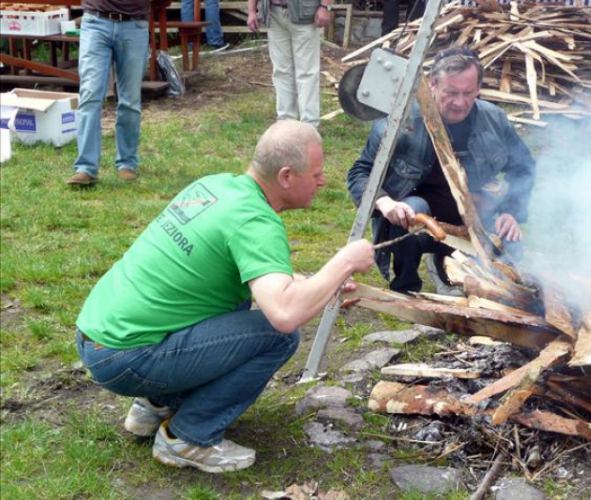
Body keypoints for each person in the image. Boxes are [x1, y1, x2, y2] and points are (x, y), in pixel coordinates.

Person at [75, 120, 374, 473]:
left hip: (96, 335)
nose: (323, 182)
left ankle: (155, 405)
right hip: (127, 357)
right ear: (286, 176)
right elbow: (283, 313)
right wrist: (344, 262)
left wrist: (322, 285)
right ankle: (188, 437)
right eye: (317, 173)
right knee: (277, 337)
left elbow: (256, 271)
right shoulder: (255, 221)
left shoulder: (215, 186)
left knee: (235, 304)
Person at [347, 47, 535, 295]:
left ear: (478, 88)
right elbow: (360, 172)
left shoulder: (494, 120)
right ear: (433, 85)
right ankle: (407, 287)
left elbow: (525, 169)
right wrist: (384, 202)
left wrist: (510, 211)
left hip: (470, 215)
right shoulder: (401, 120)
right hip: (418, 218)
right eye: (451, 92)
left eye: (468, 93)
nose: (460, 102)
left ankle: (454, 269)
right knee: (413, 207)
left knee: (510, 245)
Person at [66, 0, 151, 186]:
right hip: (96, 22)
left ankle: (127, 164)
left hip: (134, 24)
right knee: (90, 95)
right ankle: (86, 168)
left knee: (130, 99)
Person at [246, 0, 331, 127]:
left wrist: (324, 6)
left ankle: (309, 125)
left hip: (304, 13)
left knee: (307, 73)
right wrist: (251, 11)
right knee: (281, 71)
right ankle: (285, 122)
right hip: (273, 12)